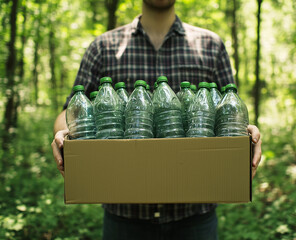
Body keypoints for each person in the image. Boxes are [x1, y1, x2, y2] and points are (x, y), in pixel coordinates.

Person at [51, 0, 262, 239]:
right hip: (124, 215)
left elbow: (230, 112)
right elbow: (71, 110)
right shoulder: (103, 47)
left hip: (195, 215)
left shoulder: (211, 45)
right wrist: (64, 135)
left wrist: (248, 134)